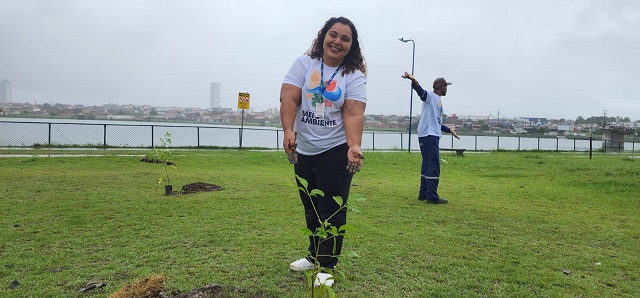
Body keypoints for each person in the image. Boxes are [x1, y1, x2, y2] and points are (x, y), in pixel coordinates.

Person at [280, 16, 367, 287]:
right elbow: (289, 98)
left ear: (351, 46)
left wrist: (353, 145)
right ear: (323, 37)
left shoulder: (353, 75)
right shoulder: (304, 64)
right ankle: (314, 255)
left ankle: (327, 266)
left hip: (335, 149)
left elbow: (353, 114)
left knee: (331, 208)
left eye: (345, 38)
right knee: (311, 204)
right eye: (333, 35)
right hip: (304, 149)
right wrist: (288, 130)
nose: (337, 41)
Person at [401, 72, 459, 204]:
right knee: (433, 165)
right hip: (429, 135)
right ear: (440, 87)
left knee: (426, 164)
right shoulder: (431, 96)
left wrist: (449, 130)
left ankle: (424, 193)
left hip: (428, 134)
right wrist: (414, 80)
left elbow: (437, 122)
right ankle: (432, 197)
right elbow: (420, 92)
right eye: (446, 86)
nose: (446, 89)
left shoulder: (438, 100)